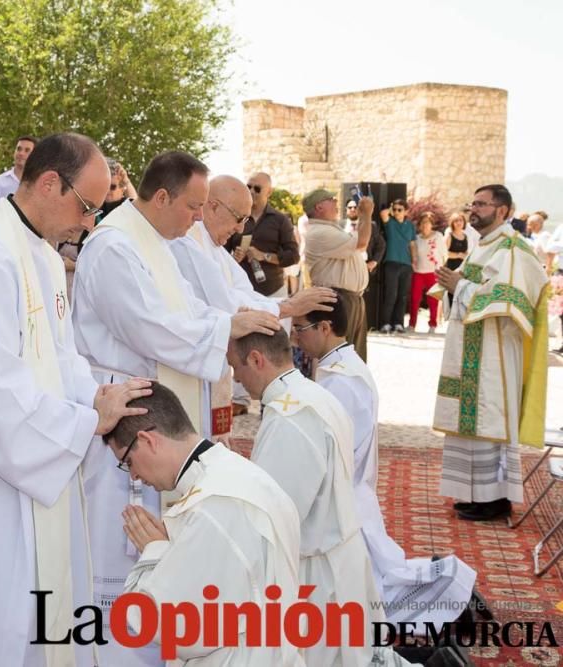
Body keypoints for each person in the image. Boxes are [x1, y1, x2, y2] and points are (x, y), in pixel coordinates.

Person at [0, 132, 151, 667]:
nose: (90, 223)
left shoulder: (46, 259)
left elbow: (62, 357)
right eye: (88, 206)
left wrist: (96, 396)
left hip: (44, 458)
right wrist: (84, 422)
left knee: (42, 615)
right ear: (50, 183)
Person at [72, 151, 280, 666]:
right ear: (161, 197)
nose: (197, 218)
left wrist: (230, 317)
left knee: (149, 537)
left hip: (151, 399)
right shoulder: (114, 246)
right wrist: (223, 328)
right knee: (116, 538)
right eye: (193, 206)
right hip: (125, 408)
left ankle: (149, 636)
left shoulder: (160, 243)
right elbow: (149, 326)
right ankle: (113, 649)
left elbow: (186, 310)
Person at [229, 330, 428, 667]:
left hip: (317, 574)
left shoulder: (290, 418)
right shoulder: (312, 394)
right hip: (340, 554)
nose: (237, 378)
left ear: (256, 359)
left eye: (236, 367)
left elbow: (278, 513)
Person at [292, 294, 480, 630]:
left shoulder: (340, 379)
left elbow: (335, 449)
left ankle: (449, 601)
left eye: (299, 329)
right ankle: (446, 592)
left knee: (371, 589)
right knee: (375, 575)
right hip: (350, 488)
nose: (294, 338)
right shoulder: (341, 366)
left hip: (343, 491)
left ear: (325, 327)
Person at [105, 382, 305, 667]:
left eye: (128, 461)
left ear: (148, 441)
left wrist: (155, 553)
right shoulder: (238, 473)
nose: (134, 476)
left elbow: (175, 627)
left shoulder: (213, 505)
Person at [168, 174, 336, 427]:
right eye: (239, 219)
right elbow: (225, 305)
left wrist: (281, 306)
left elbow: (243, 290)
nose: (240, 229)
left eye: (246, 220)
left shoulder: (213, 244)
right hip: (192, 363)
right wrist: (287, 307)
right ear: (213, 206)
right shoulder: (188, 240)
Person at [434, 185, 549, 522]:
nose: (474, 209)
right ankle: (472, 493)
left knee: (489, 417)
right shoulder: (483, 247)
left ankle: (495, 499)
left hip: (495, 351)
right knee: (468, 423)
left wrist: (461, 287)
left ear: (503, 211)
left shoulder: (513, 249)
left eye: (482, 204)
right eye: (473, 203)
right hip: (472, 347)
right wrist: (451, 284)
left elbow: (513, 301)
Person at [301, 189, 372, 360]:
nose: (336, 202)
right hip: (339, 299)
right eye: (331, 199)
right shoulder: (319, 232)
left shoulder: (329, 229)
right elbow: (362, 242)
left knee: (352, 359)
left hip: (348, 299)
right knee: (341, 360)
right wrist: (367, 214)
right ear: (319, 207)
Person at [225, 172, 299, 298]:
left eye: (257, 189)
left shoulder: (280, 220)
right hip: (240, 291)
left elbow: (293, 256)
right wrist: (233, 258)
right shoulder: (235, 216)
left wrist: (264, 256)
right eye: (248, 187)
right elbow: (221, 251)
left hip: (273, 291)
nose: (252, 191)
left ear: (269, 192)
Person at [379, 198, 416, 334]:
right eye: (394, 209)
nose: (396, 212)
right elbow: (383, 214)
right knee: (391, 295)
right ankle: (385, 324)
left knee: (402, 296)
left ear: (406, 211)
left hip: (406, 264)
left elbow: (412, 245)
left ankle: (399, 323)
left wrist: (414, 260)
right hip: (391, 263)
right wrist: (390, 207)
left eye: (399, 210)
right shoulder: (390, 223)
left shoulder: (410, 226)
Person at [408, 212, 446, 333]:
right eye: (423, 223)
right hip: (418, 272)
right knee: (414, 298)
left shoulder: (438, 236)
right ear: (419, 225)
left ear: (431, 224)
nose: (425, 225)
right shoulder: (416, 238)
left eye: (427, 223)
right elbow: (412, 253)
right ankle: (411, 325)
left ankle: (433, 325)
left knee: (433, 300)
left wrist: (440, 269)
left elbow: (444, 254)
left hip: (433, 272)